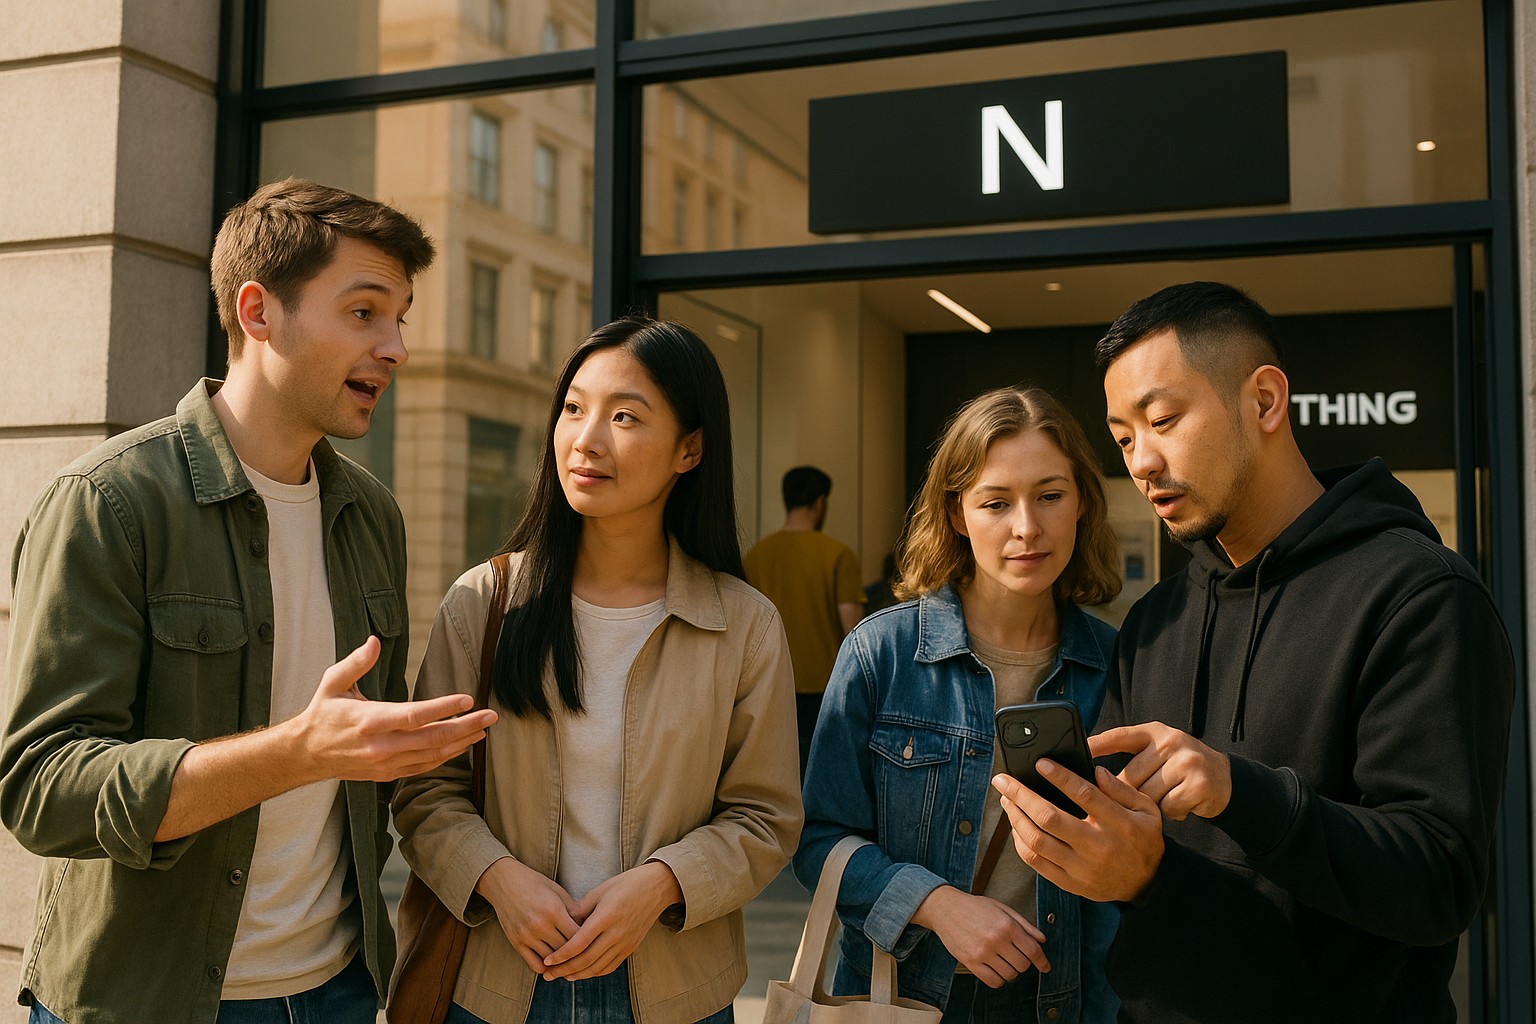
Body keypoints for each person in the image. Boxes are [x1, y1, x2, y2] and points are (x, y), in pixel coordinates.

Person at [0, 178, 499, 1024]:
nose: (398, 348)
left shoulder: (372, 515)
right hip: (146, 1000)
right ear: (259, 310)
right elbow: (42, 788)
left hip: (337, 990)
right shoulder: (111, 502)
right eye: (365, 312)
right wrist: (298, 751)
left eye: (401, 318)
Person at [993, 282, 1516, 1023]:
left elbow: (1439, 884)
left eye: (1163, 419)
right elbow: (1145, 875)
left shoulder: (1419, 595)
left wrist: (1242, 791)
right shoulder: (1155, 620)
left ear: (1265, 401)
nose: (1141, 460)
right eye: (1123, 437)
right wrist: (1086, 845)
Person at [392, 317, 802, 1024]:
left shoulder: (743, 623)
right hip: (499, 983)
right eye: (574, 409)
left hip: (674, 992)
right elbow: (426, 790)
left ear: (690, 449)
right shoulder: (483, 602)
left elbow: (765, 817)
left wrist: (662, 884)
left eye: (624, 417)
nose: (586, 440)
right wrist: (499, 880)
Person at [795, 386, 1121, 1023]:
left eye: (1050, 495)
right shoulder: (881, 653)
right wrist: (938, 904)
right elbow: (818, 839)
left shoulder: (1115, 665)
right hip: (903, 994)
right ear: (956, 513)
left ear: (1081, 499)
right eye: (996, 503)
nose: (1026, 527)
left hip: (1061, 999)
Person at [743, 465, 866, 771]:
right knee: (820, 776)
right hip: (826, 686)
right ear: (820, 502)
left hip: (769, 685)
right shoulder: (837, 554)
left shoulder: (756, 556)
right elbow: (854, 631)